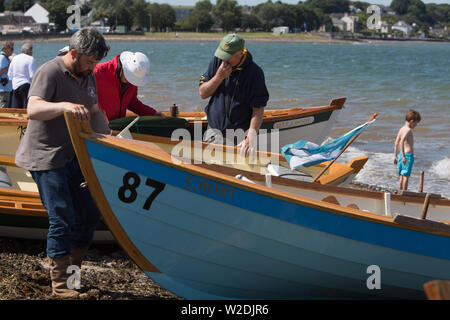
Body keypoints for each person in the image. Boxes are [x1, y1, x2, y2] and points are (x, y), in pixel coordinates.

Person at [15, 27, 111, 298]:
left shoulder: (88, 75)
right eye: (90, 61)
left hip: (74, 155)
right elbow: (33, 109)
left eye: (96, 62)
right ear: (73, 53)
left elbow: (93, 111)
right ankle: (60, 287)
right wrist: (65, 106)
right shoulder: (50, 71)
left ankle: (73, 278)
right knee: (62, 218)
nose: (93, 67)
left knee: (90, 215)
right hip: (45, 157)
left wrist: (110, 137)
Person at [199, 33, 269, 156]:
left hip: (239, 136)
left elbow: (258, 110)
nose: (224, 59)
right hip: (213, 130)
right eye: (222, 55)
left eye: (227, 56)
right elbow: (203, 93)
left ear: (240, 53)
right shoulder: (218, 61)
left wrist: (250, 139)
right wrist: (219, 77)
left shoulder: (255, 73)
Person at [94, 51, 163, 121]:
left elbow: (132, 102)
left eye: (133, 79)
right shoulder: (97, 72)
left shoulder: (134, 78)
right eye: (129, 77)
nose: (130, 81)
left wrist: (152, 113)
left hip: (118, 126)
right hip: (98, 126)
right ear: (124, 66)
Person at [394, 109, 421, 192]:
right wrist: (404, 156)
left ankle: (399, 191)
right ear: (412, 121)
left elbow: (396, 143)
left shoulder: (401, 129)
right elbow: (401, 141)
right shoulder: (408, 130)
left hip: (401, 156)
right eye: (416, 123)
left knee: (401, 175)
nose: (416, 125)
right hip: (407, 156)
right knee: (406, 176)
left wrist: (395, 156)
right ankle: (404, 192)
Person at [8, 42, 36, 108]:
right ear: (30, 51)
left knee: (16, 109)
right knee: (26, 108)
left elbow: (9, 75)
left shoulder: (15, 58)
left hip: (15, 86)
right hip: (25, 85)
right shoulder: (30, 59)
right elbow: (32, 76)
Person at [0, 41, 14, 108]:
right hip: (3, 89)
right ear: (6, 49)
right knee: (3, 107)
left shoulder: (5, 58)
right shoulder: (2, 58)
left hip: (5, 88)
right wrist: (9, 68)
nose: (12, 51)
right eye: (11, 49)